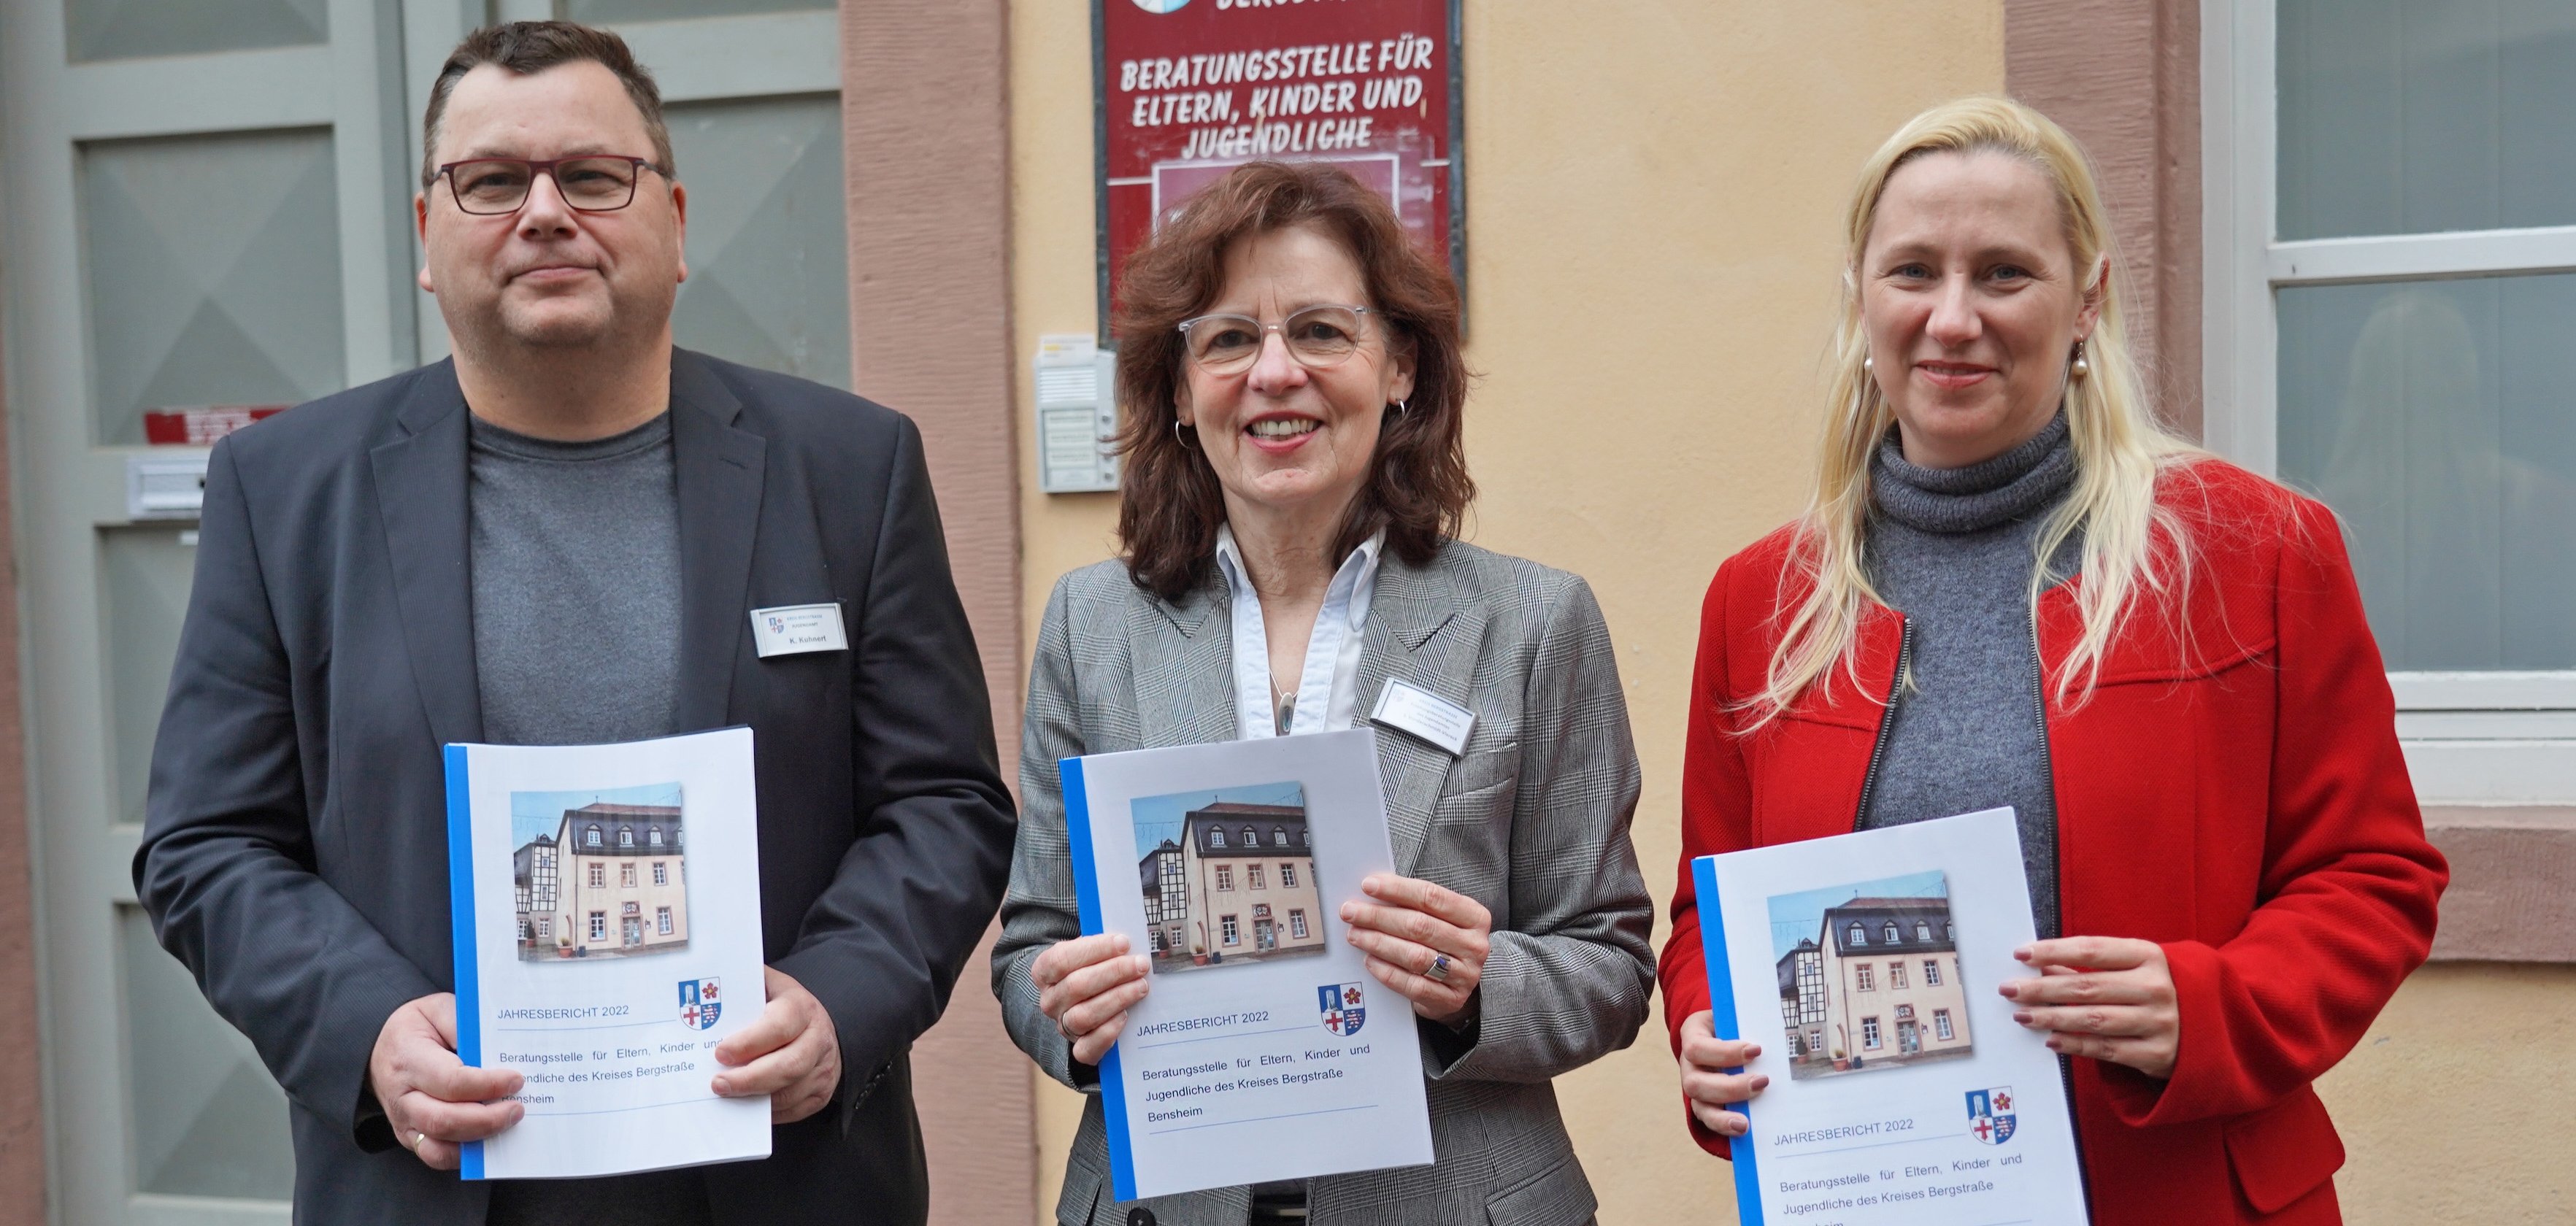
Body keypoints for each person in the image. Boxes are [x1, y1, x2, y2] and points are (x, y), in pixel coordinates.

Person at [132, 21, 1015, 1225]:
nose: (545, 213)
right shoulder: (283, 492)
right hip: (431, 1185)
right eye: (491, 182)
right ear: (426, 238)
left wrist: (840, 1000)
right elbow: (207, 843)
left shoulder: (850, 469)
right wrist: (367, 1030)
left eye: (593, 177)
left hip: (781, 1181)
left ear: (676, 219)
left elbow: (944, 802)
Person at [1658, 97, 2446, 1225]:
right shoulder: (1762, 599)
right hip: (1880, 1194)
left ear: (2087, 302)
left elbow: (2373, 877)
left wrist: (2212, 1003)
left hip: (2185, 1191)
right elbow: (1709, 910)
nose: (1951, 318)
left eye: (2004, 274)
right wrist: (1705, 1030)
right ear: (1858, 297)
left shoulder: (2251, 550)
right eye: (1913, 271)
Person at [992, 161, 1654, 1226]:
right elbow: (1030, 945)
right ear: (1175, 389)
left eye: (1319, 332)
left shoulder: (1533, 623)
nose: (1273, 374)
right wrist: (1063, 1009)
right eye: (1228, 341)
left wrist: (1476, 983)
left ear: (1398, 367)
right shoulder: (1090, 624)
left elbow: (1609, 963)